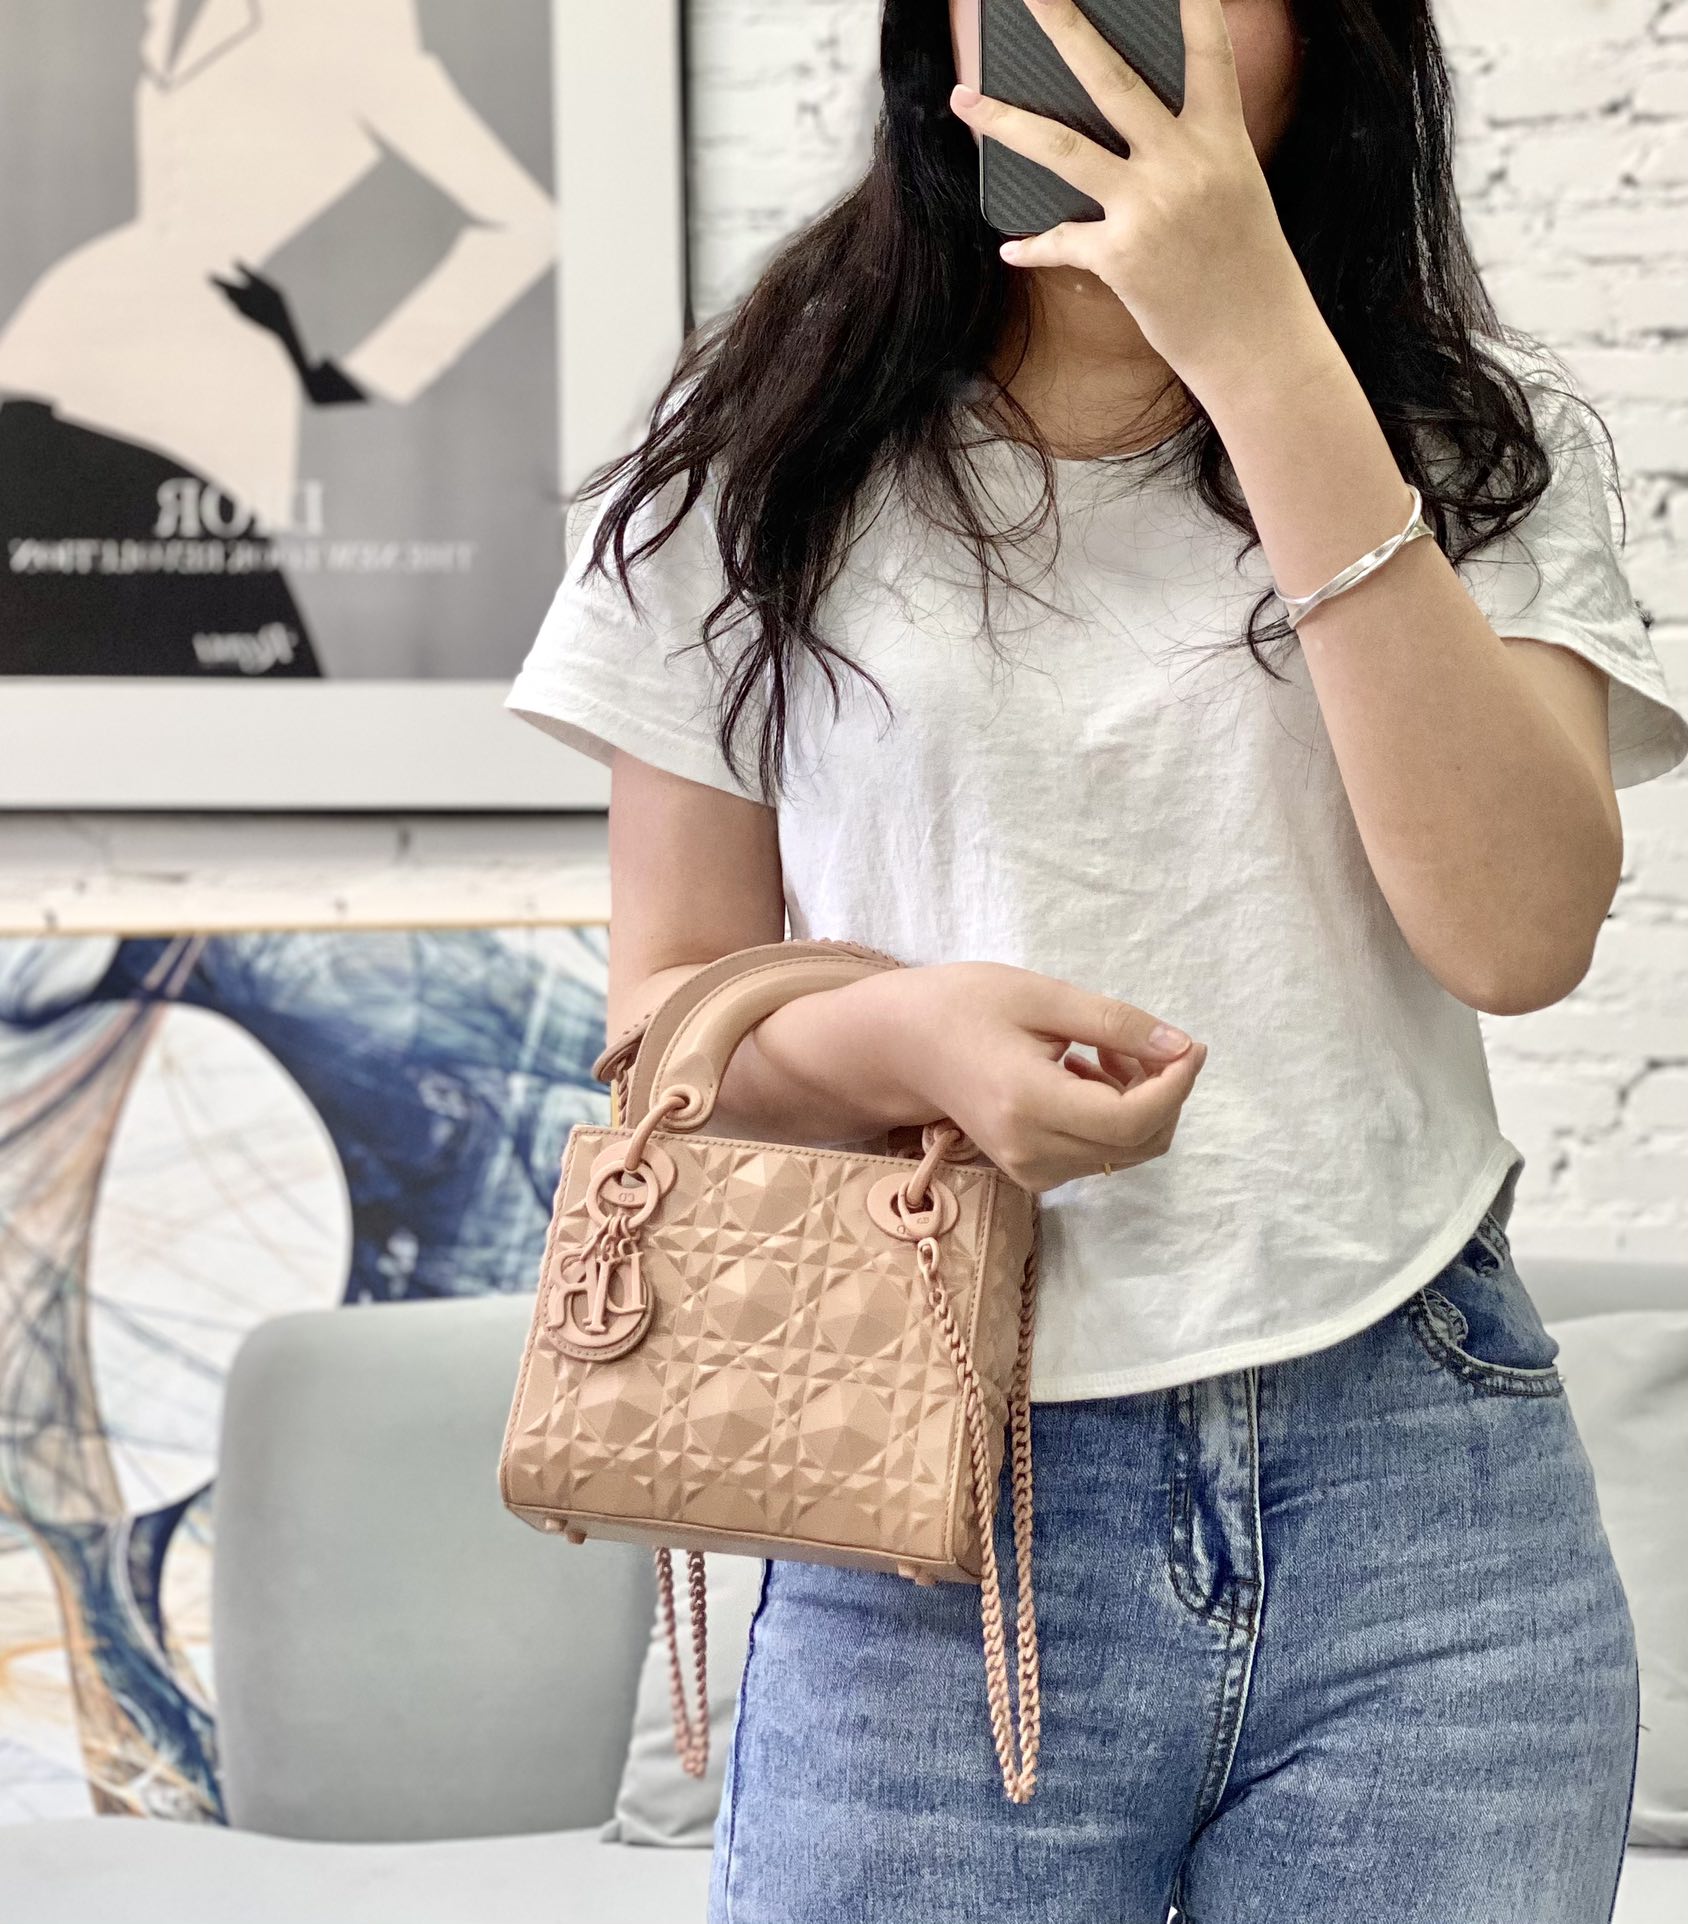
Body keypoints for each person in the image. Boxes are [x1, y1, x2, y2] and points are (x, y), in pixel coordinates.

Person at [505, 1, 1688, 1918]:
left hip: (1425, 1498)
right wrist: (905, 1036)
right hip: (916, 1500)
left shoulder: (1470, 446)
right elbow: (665, 1022)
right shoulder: (764, 457)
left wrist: (1254, 341)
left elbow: (1516, 929)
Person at [0, 0, 556, 675]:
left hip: (207, 382)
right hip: (69, 331)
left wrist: (353, 374)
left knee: (189, 636)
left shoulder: (346, 25)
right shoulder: (168, 10)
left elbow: (524, 223)